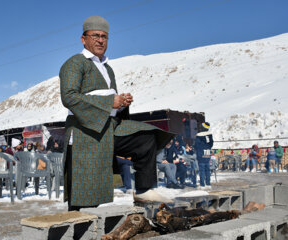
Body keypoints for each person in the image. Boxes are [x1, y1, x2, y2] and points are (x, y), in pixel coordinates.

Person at [59, 16, 174, 210]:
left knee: (146, 137)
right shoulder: (75, 63)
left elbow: (109, 101)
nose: (100, 40)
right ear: (83, 39)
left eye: (104, 36)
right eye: (95, 35)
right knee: (85, 196)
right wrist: (109, 101)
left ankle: (144, 191)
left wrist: (120, 103)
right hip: (84, 134)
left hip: (108, 128)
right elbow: (69, 97)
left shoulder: (108, 69)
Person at [195, 122, 214, 190]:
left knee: (202, 170)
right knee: (207, 169)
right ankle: (208, 184)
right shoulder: (209, 135)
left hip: (201, 153)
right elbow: (211, 144)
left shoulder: (199, 135)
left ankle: (202, 185)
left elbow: (197, 145)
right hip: (207, 152)